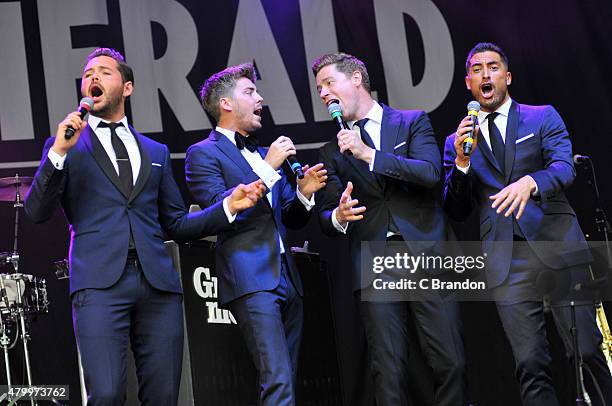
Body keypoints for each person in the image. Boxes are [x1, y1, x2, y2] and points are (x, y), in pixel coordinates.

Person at [25, 48, 264, 406]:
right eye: (88, 73)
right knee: (105, 394)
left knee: (163, 395)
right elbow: (37, 212)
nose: (93, 78)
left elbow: (177, 223)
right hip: (100, 283)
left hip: (158, 286)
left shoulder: (155, 150)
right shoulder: (68, 145)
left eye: (105, 72)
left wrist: (227, 206)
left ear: (127, 87)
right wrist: (57, 152)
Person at [443, 42, 612, 406]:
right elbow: (456, 208)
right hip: (507, 261)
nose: (485, 74)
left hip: (557, 245)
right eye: (477, 69)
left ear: (507, 76)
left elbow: (564, 168)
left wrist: (530, 182)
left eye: (492, 67)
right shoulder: (456, 141)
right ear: (468, 83)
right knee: (530, 363)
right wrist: (460, 163)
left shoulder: (541, 116)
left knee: (586, 350)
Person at [312, 52, 467, 406]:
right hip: (375, 261)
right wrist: (338, 215)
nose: (323, 93)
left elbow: (430, 174)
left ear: (355, 79)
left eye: (329, 83)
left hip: (428, 254)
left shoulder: (412, 122)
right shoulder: (331, 152)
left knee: (451, 361)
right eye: (319, 88)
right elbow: (325, 216)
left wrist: (369, 155)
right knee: (389, 370)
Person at [185, 63, 326, 406]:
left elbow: (290, 217)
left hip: (287, 278)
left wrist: (305, 193)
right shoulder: (202, 153)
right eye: (250, 92)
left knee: (287, 377)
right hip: (251, 277)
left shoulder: (262, 153)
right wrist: (269, 167)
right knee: (277, 380)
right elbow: (222, 209)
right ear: (226, 104)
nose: (260, 98)